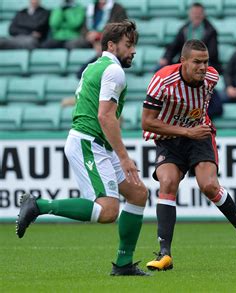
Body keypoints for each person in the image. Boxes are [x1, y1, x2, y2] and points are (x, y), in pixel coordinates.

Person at [16, 20, 150, 277]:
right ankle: (39, 205)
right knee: (108, 211)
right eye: (128, 45)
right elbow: (105, 117)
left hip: (96, 143)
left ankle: (123, 264)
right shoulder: (114, 71)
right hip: (89, 143)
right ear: (112, 45)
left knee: (137, 194)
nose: (133, 51)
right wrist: (124, 157)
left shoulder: (93, 67)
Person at [141, 39, 236, 272]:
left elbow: (201, 107)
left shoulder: (212, 78)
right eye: (197, 62)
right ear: (183, 61)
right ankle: (164, 253)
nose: (202, 67)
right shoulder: (162, 81)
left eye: (205, 62)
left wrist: (192, 129)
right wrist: (186, 130)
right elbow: (147, 122)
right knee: (167, 182)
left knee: (208, 186)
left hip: (199, 135)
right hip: (170, 138)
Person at [159, 3, 221, 73]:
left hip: (203, 62)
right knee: (161, 68)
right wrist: (166, 57)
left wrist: (197, 59)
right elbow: (174, 46)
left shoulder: (210, 30)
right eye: (194, 13)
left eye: (199, 13)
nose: (196, 15)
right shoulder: (184, 29)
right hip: (185, 62)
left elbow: (213, 53)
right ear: (190, 14)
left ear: (204, 14)